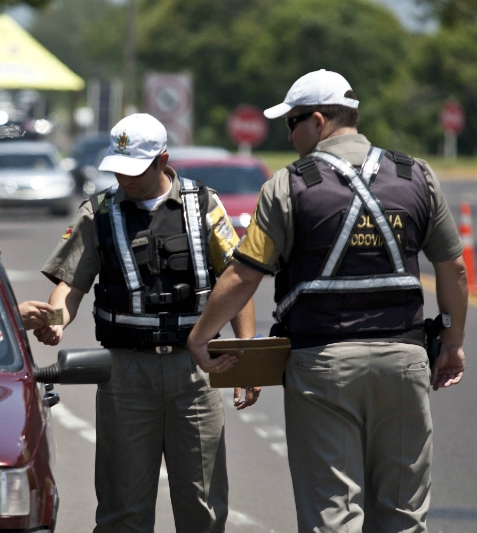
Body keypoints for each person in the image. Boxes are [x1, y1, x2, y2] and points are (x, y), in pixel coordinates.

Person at [186, 69, 468, 532]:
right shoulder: (416, 175)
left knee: (332, 514)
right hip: (405, 360)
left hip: (324, 366)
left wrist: (201, 337)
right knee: (402, 513)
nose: (290, 134)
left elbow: (244, 274)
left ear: (317, 121)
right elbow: (453, 268)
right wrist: (453, 342)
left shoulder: (288, 185)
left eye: (291, 123)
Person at [35, 113, 258, 532]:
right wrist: (56, 319)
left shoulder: (203, 205)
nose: (125, 179)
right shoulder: (98, 212)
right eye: (117, 168)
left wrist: (246, 356)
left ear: (163, 160)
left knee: (203, 506)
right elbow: (70, 284)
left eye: (134, 169)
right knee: (123, 509)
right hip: (125, 375)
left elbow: (237, 280)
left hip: (193, 374)